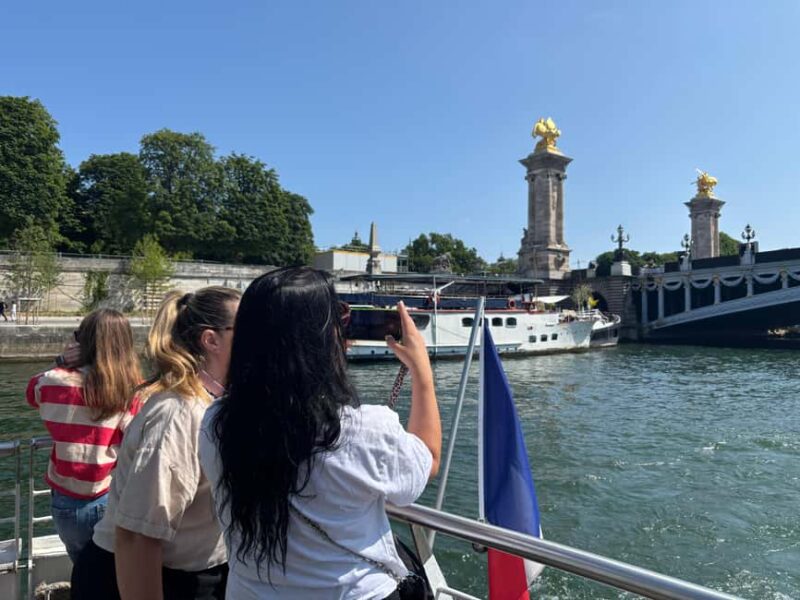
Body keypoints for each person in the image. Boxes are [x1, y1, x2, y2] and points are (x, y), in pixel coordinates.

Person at [199, 267, 441, 599]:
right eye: (339, 315)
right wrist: (422, 371)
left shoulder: (216, 422)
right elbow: (428, 459)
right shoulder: (363, 429)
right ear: (322, 337)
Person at [71, 286, 240, 600]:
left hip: (182, 574)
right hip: (145, 579)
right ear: (211, 339)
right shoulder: (181, 413)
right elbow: (137, 537)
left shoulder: (207, 403)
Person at [26, 309, 143, 563]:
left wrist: (62, 361)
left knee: (80, 565)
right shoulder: (130, 390)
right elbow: (137, 437)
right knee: (112, 569)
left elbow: (31, 392)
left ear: (83, 342)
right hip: (110, 495)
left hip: (66, 501)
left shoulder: (53, 381)